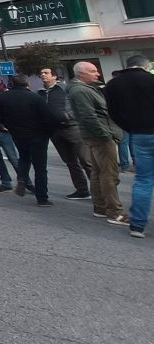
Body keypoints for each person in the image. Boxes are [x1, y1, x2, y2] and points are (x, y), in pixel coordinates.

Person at [67, 61, 127, 226]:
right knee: (109, 174)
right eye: (93, 71)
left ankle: (100, 207)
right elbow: (89, 116)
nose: (97, 74)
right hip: (99, 137)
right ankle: (115, 212)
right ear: (81, 74)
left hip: (94, 136)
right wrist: (106, 135)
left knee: (98, 172)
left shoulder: (84, 89)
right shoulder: (80, 91)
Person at [105, 55, 154, 238]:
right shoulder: (151, 79)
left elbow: (113, 113)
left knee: (143, 180)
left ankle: (137, 225)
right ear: (145, 66)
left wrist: (130, 127)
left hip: (139, 135)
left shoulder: (113, 85)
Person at [0, 74, 56, 206]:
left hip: (18, 134)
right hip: (37, 135)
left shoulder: (3, 98)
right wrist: (48, 132)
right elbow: (48, 117)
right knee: (40, 167)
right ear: (27, 84)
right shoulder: (35, 97)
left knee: (24, 158)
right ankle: (42, 197)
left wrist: (10, 127)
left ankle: (22, 178)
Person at [39, 66, 92, 200]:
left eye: (46, 73)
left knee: (86, 161)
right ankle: (82, 190)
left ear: (55, 76)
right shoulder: (40, 92)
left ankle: (100, 191)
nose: (43, 75)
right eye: (42, 73)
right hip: (54, 131)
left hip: (72, 128)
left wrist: (68, 116)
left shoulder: (65, 89)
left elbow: (79, 105)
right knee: (70, 162)